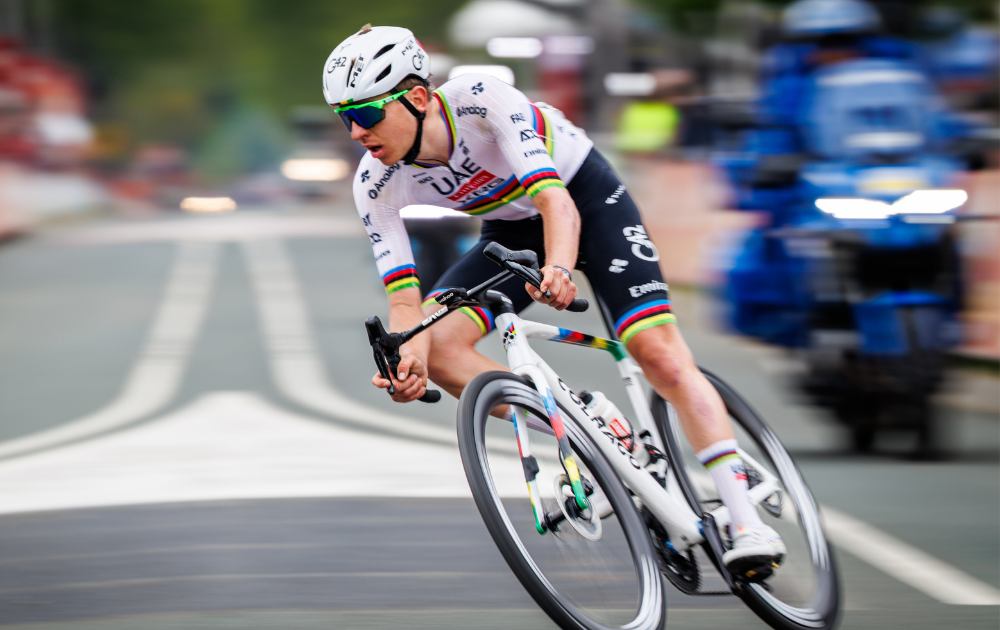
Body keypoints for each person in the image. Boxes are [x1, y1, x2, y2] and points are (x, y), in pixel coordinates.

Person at [323, 24, 785, 576]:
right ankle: (588, 423)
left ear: (417, 97)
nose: (355, 132)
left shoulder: (480, 100)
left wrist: (560, 269)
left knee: (657, 355)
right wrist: (410, 361)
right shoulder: (375, 183)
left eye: (366, 114)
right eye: (343, 117)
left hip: (585, 200)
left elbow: (556, 205)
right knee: (440, 344)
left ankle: (745, 521)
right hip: (513, 233)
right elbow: (405, 304)